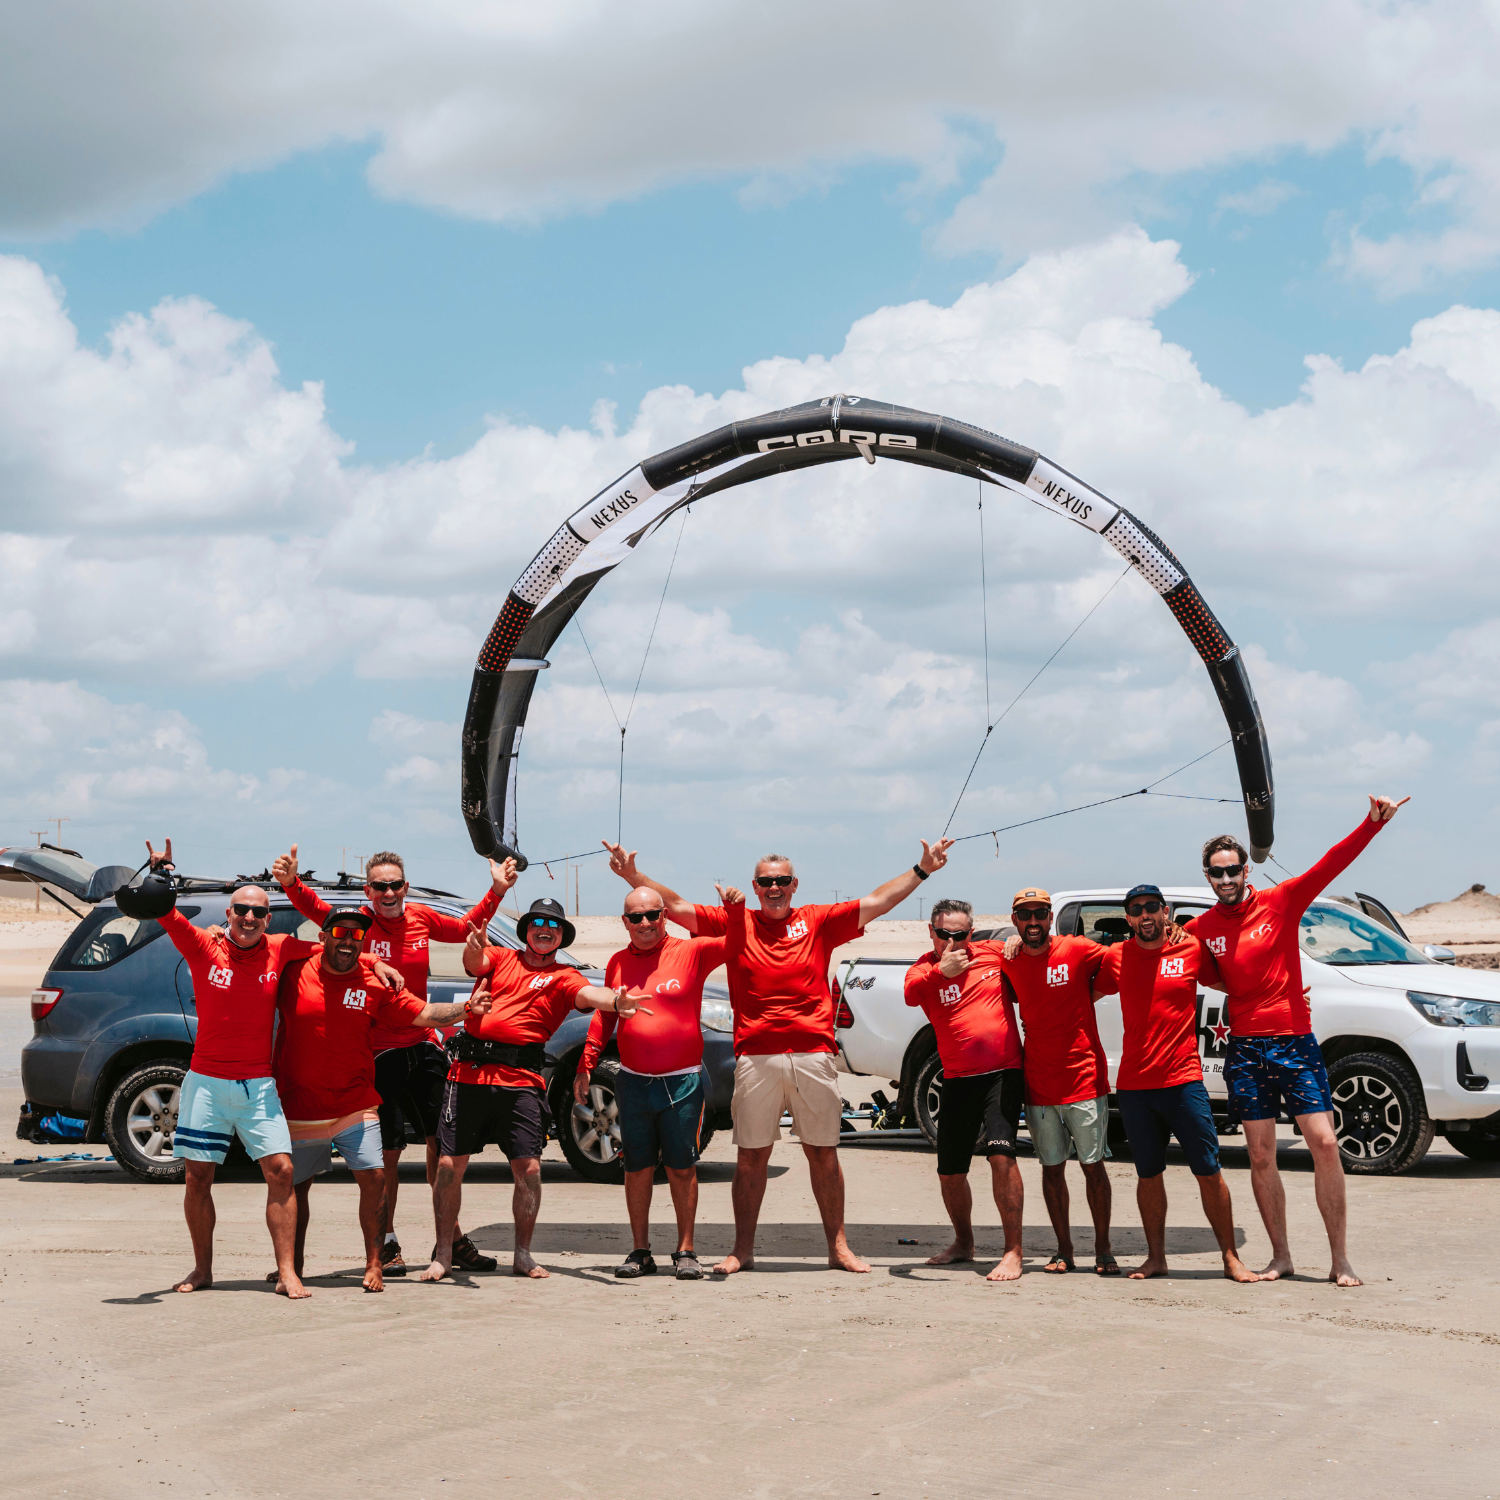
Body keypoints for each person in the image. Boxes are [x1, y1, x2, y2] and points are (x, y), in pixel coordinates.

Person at [605, 836, 954, 1276]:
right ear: (755, 886)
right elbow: (671, 906)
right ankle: (742, 1250)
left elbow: (877, 902)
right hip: (756, 1056)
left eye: (782, 881)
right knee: (751, 1156)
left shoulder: (818, 920)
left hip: (813, 1053)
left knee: (823, 1153)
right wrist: (632, 876)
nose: (775, 888)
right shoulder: (735, 922)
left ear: (794, 885)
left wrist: (922, 870)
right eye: (766, 882)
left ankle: (838, 1248)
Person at [142, 837, 396, 1298]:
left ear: (267, 919)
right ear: (228, 914)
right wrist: (160, 874)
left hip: (258, 1086)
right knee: (197, 1177)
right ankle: (202, 1269)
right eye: (241, 910)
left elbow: (335, 945)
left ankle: (287, 1272)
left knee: (281, 1171)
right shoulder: (203, 946)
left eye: (258, 912)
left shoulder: (281, 948)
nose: (249, 918)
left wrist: (375, 960)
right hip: (207, 1083)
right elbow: (164, 912)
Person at [1189, 795, 1408, 1287]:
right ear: (1208, 877)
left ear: (1246, 870)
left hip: (1294, 1042)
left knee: (1325, 1143)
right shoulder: (1201, 929)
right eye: (1217, 873)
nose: (1226, 879)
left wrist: (1372, 823)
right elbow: (1190, 967)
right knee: (1261, 1155)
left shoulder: (1281, 901)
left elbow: (1330, 865)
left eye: (1233, 870)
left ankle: (1340, 1259)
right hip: (1246, 1051)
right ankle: (1281, 1256)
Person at [271, 843, 511, 1277]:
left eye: (394, 885)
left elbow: (466, 927)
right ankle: (387, 1243)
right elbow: (319, 915)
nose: (387, 893)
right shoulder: (358, 925)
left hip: (422, 1039)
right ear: (368, 890)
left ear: (405, 887)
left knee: (446, 1145)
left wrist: (496, 891)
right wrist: (291, 883)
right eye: (379, 886)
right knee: (389, 1153)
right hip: (379, 1051)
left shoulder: (421, 918)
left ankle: (450, 1239)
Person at [420, 897, 638, 1282]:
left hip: (521, 1082)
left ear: (561, 936)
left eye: (553, 925)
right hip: (469, 1075)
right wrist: (474, 944)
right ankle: (443, 1255)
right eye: (537, 922)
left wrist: (617, 1000)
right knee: (449, 1166)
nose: (545, 929)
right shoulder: (501, 957)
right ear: (526, 931)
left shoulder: (565, 976)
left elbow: (593, 996)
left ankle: (522, 1254)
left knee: (530, 1169)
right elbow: (475, 961)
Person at [1092, 885, 1260, 1283]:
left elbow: (1232, 984)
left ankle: (1230, 1258)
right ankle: (1156, 1258)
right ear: (1128, 918)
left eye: (1152, 907)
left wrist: (1282, 997)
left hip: (1183, 1080)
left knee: (1208, 1169)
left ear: (1165, 912)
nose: (1145, 914)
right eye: (1136, 909)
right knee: (1148, 1174)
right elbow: (1083, 996)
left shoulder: (1190, 948)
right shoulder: (1117, 957)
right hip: (1134, 1086)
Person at [575, 884, 734, 1281]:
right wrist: (586, 1063)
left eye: (652, 914)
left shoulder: (692, 952)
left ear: (665, 916)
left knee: (681, 1168)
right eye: (636, 917)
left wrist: (732, 909)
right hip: (633, 1083)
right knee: (637, 1168)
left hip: (681, 1083)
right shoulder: (616, 962)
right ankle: (640, 1251)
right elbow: (605, 1016)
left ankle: (686, 1250)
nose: (644, 923)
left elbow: (740, 942)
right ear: (625, 922)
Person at [903, 899, 1024, 1282]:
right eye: (944, 934)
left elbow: (1031, 953)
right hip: (957, 1078)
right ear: (931, 932)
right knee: (950, 1171)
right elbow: (910, 993)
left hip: (1003, 1073)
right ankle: (963, 1243)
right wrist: (941, 972)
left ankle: (1013, 1251)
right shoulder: (923, 970)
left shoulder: (991, 953)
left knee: (1001, 1156)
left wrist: (1017, 942)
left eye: (960, 934)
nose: (952, 941)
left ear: (971, 932)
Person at [1000, 887, 1115, 1275]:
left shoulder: (1077, 949)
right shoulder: (1008, 958)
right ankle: (1064, 1250)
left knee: (1093, 1166)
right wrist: (1007, 944)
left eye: (1040, 914)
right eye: (1025, 915)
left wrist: (1175, 931)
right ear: (1015, 921)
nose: (1033, 922)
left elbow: (1124, 955)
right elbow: (973, 951)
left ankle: (1103, 1250)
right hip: (1039, 1086)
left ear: (1051, 917)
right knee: (1052, 1169)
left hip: (1084, 1079)